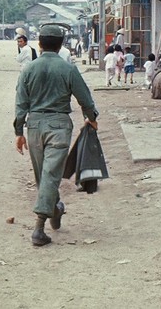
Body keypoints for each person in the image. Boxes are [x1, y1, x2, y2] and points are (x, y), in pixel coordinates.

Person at [14, 24, 99, 247]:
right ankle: (45, 220)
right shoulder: (68, 69)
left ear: (39, 44)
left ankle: (46, 218)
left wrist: (18, 132)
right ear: (61, 45)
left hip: (34, 127)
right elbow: (85, 98)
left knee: (44, 175)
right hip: (59, 126)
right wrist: (91, 117)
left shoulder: (28, 69)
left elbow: (21, 103)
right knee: (48, 176)